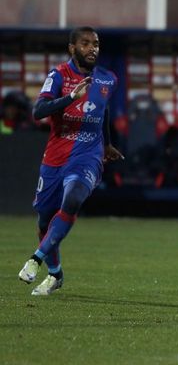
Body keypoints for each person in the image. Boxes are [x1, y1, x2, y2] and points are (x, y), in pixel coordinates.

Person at [18, 26, 123, 295]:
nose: (93, 49)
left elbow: (104, 110)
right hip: (55, 157)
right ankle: (55, 275)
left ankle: (36, 259)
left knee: (73, 198)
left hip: (88, 155)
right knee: (44, 221)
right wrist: (70, 98)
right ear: (72, 48)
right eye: (86, 44)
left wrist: (107, 143)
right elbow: (38, 111)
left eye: (96, 44)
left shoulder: (107, 80)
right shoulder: (58, 75)